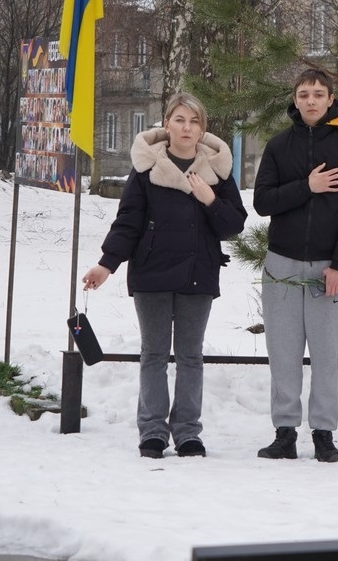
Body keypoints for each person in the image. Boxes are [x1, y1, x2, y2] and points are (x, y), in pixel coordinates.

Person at [83, 93, 246, 459]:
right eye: (180, 120)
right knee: (154, 355)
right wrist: (106, 264)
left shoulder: (217, 171)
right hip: (152, 274)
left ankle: (188, 432)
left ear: (203, 129)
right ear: (166, 123)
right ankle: (153, 431)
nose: (187, 128)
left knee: (190, 356)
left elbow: (234, 224)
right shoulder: (145, 170)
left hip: (197, 274)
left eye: (194, 122)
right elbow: (128, 222)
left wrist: (209, 199)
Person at [253, 70, 338, 463]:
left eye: (318, 94)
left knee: (325, 355)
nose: (311, 101)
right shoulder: (277, 145)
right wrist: (308, 186)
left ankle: (324, 433)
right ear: (295, 98)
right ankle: (284, 432)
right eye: (304, 94)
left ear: (331, 98)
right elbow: (263, 202)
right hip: (282, 265)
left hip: (328, 269)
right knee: (283, 353)